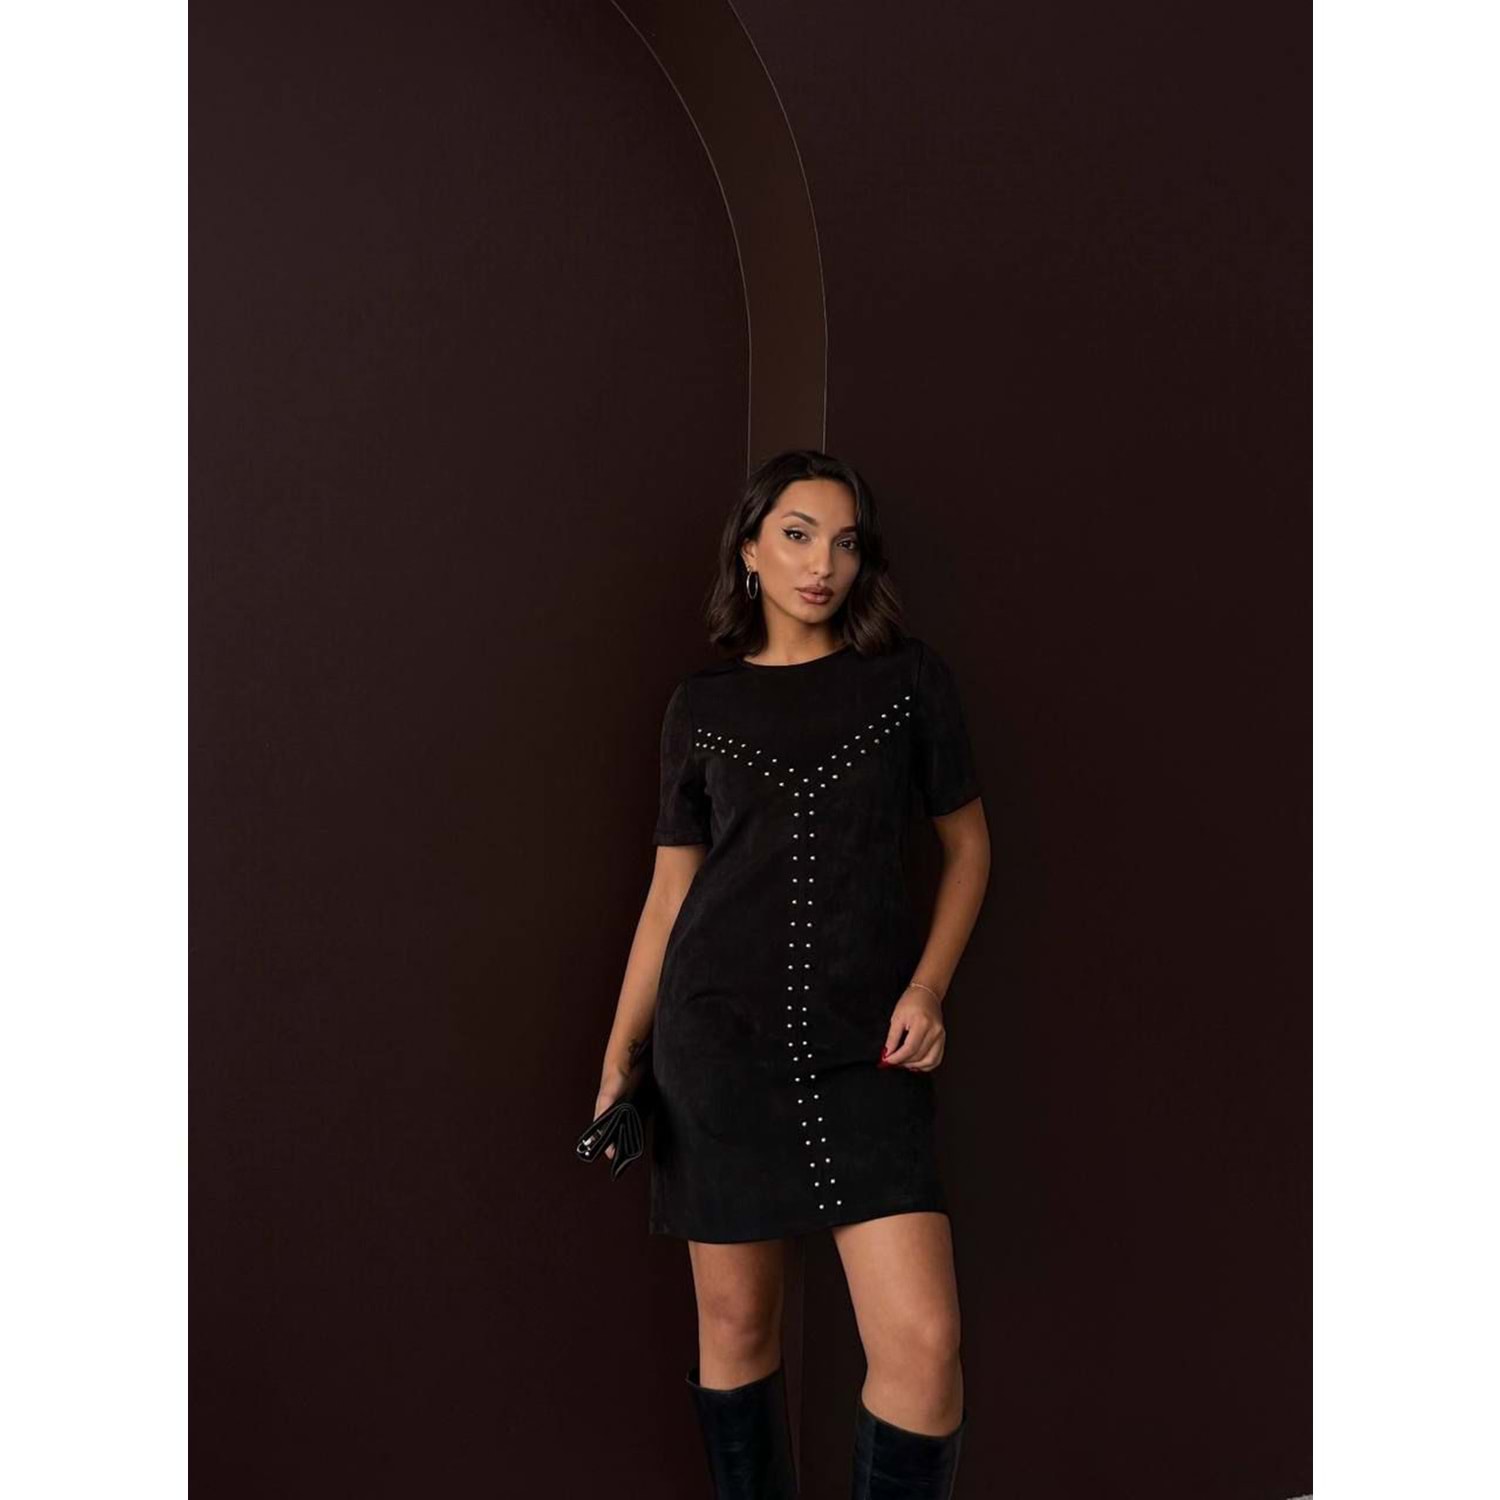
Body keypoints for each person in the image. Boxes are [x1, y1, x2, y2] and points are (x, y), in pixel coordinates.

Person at [593, 449, 990, 1498]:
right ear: (751, 549)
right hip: (717, 1049)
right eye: (799, 536)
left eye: (845, 542)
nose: (823, 565)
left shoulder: (909, 681)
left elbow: (969, 848)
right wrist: (620, 1060)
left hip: (870, 1050)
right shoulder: (699, 707)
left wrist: (927, 989)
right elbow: (671, 898)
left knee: (925, 1344)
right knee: (736, 1328)